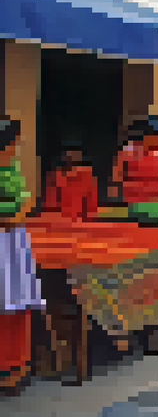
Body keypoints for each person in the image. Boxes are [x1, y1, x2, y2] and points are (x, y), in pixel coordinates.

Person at [0, 117, 43, 393]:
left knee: (15, 303)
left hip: (13, 241)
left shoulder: (13, 168)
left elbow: (25, 200)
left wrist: (19, 212)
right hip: (7, 238)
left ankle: (17, 365)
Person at [113, 116, 158, 226]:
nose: (152, 137)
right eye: (149, 134)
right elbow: (117, 174)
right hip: (138, 206)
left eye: (156, 134)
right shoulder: (131, 150)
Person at [42, 137, 98, 221]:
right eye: (67, 152)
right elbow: (50, 206)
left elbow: (91, 208)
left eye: (73, 152)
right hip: (60, 224)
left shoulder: (88, 177)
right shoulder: (55, 176)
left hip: (79, 225)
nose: (70, 155)